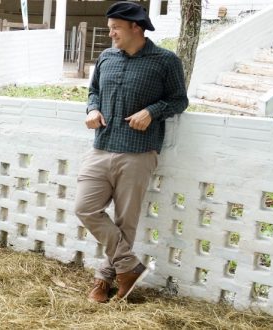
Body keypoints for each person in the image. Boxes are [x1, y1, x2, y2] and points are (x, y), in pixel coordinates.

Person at [75, 1, 189, 304]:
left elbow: (179, 100)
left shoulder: (165, 61)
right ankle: (129, 268)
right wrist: (92, 108)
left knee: (126, 222)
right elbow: (93, 91)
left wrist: (152, 111)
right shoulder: (106, 58)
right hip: (102, 147)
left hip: (138, 153)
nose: (111, 33)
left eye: (116, 28)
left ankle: (104, 279)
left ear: (135, 27)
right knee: (85, 208)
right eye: (110, 28)